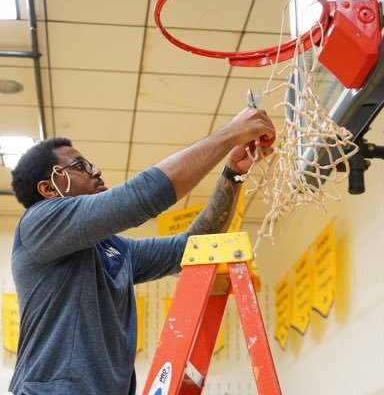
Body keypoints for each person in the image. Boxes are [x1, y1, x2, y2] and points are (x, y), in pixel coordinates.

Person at [8, 106, 275, 394]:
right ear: (49, 189)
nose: (96, 171)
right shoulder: (38, 223)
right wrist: (230, 134)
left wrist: (233, 173)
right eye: (81, 166)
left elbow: (192, 247)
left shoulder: (114, 250)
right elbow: (141, 196)